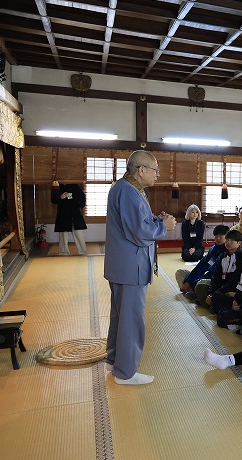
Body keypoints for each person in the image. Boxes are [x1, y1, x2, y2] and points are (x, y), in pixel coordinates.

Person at [104, 150, 176, 385]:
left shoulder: (128, 188)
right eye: (155, 170)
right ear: (141, 170)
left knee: (121, 315)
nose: (158, 175)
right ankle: (125, 372)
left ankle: (116, 361)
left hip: (124, 264)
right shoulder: (128, 191)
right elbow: (139, 232)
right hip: (130, 265)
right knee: (130, 319)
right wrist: (164, 225)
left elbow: (138, 222)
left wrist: (156, 219)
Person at [174, 224, 229, 297]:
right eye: (216, 236)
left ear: (227, 237)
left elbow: (213, 273)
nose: (217, 238)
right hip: (202, 275)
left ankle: (193, 290)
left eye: (221, 236)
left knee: (201, 283)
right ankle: (191, 290)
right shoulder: (213, 248)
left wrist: (194, 282)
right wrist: (188, 281)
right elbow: (200, 265)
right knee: (180, 273)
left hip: (211, 278)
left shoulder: (226, 252)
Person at [202, 229, 242, 312]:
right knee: (201, 286)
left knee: (222, 296)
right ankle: (213, 303)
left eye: (232, 240)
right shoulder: (222, 256)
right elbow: (216, 276)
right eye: (227, 239)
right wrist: (211, 293)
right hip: (222, 286)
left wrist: (216, 293)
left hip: (233, 288)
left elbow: (234, 281)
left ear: (239, 243)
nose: (228, 242)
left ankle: (216, 305)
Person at [50, 182, 87, 255]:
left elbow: (82, 197)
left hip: (74, 211)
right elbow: (53, 199)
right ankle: (64, 252)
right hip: (63, 212)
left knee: (79, 233)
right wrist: (60, 197)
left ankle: (82, 251)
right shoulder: (57, 185)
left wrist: (79, 205)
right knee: (63, 234)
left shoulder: (74, 185)